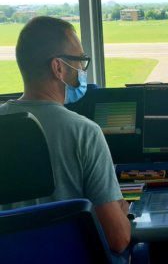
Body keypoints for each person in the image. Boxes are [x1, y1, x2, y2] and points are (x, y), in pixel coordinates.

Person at [0, 16, 131, 254]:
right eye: (80, 61)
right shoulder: (85, 132)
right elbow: (118, 240)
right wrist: (121, 212)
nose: (82, 70)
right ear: (58, 67)